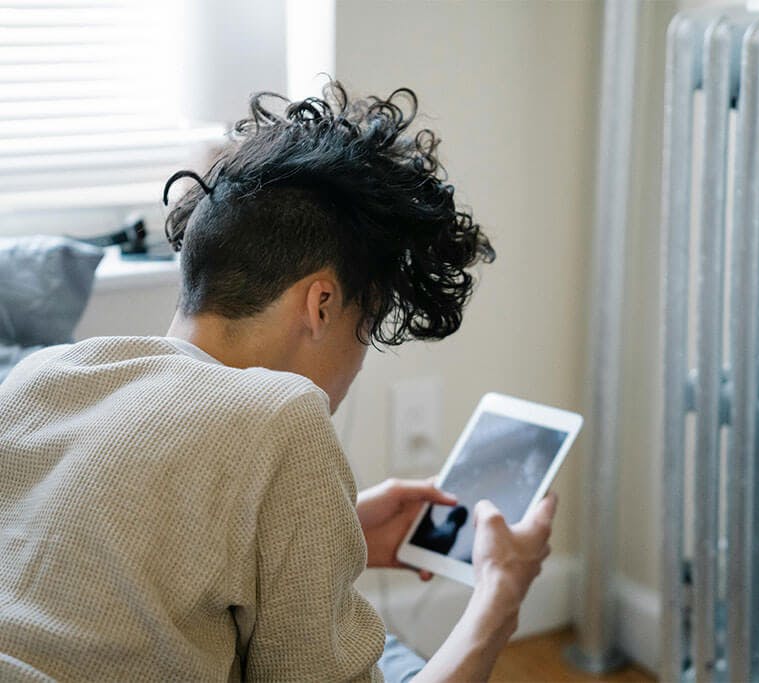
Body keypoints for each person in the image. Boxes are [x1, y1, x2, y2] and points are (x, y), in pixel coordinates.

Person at [0, 82, 556, 682]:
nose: (357, 363)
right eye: (366, 328)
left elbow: (103, 565)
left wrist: (340, 533)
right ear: (321, 304)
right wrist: (500, 595)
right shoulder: (281, 415)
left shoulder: (42, 376)